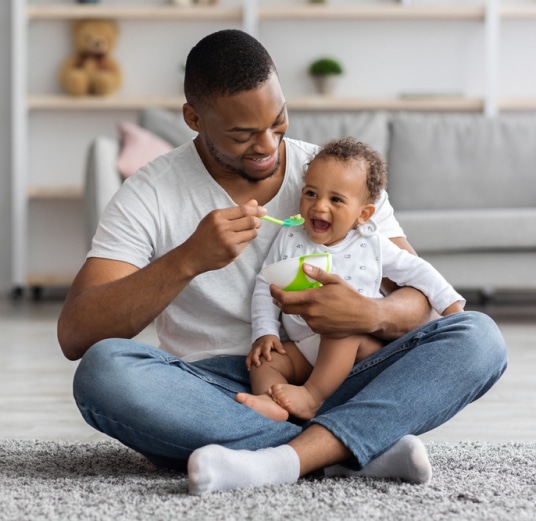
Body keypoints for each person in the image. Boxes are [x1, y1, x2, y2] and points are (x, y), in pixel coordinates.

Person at [57, 29, 507, 496]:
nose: (268, 145)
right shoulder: (150, 193)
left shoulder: (333, 175)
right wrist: (187, 259)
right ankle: (346, 448)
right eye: (242, 134)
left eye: (278, 121)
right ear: (194, 118)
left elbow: (418, 298)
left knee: (480, 339)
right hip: (214, 388)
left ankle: (278, 455)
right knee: (103, 371)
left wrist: (368, 313)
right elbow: (76, 333)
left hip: (341, 367)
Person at [238, 138, 465, 422]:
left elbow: (418, 271)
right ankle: (269, 401)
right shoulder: (290, 236)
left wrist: (452, 309)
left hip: (356, 345)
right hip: (305, 346)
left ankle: (312, 398)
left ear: (364, 214)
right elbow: (265, 283)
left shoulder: (371, 243)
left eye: (335, 199)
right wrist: (265, 332)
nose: (319, 207)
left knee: (341, 325)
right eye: (311, 193)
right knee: (264, 360)